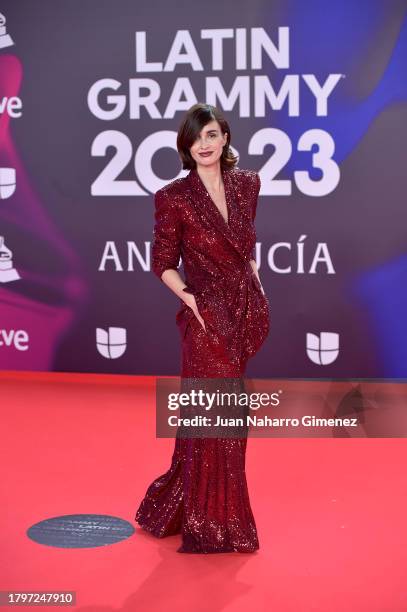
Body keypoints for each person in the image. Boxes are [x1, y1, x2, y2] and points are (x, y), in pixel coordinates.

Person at [135, 103, 270, 553]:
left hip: (243, 309)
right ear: (186, 147)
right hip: (205, 316)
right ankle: (214, 522)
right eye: (196, 138)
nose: (205, 144)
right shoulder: (173, 197)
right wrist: (192, 300)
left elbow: (247, 246)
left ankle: (199, 506)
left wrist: (257, 286)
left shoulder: (248, 183)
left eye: (211, 134)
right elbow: (162, 264)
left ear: (225, 137)